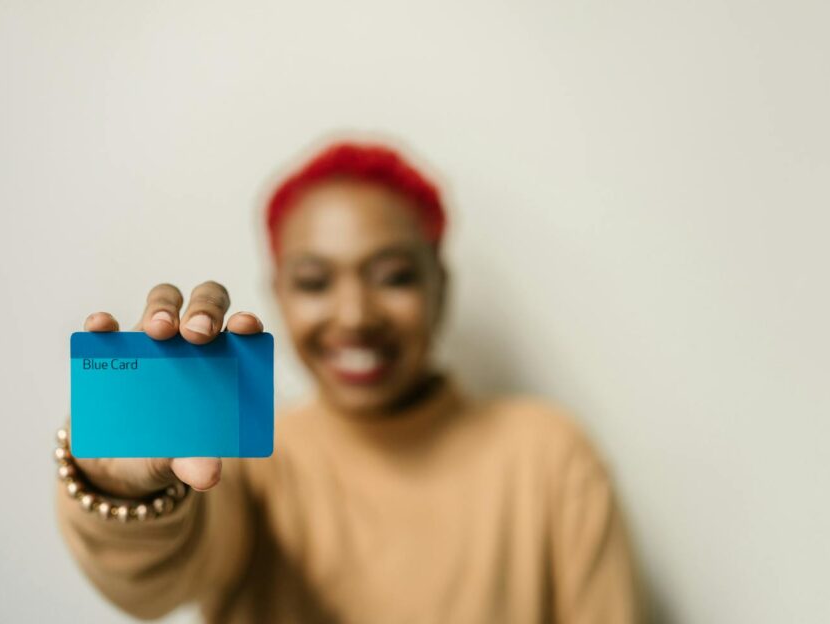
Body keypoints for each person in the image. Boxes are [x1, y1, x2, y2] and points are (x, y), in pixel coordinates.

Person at [54, 141, 643, 623]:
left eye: (393, 276)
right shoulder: (248, 458)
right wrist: (119, 493)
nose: (356, 315)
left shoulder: (547, 452)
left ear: (441, 285)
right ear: (278, 294)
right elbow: (154, 587)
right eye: (314, 282)